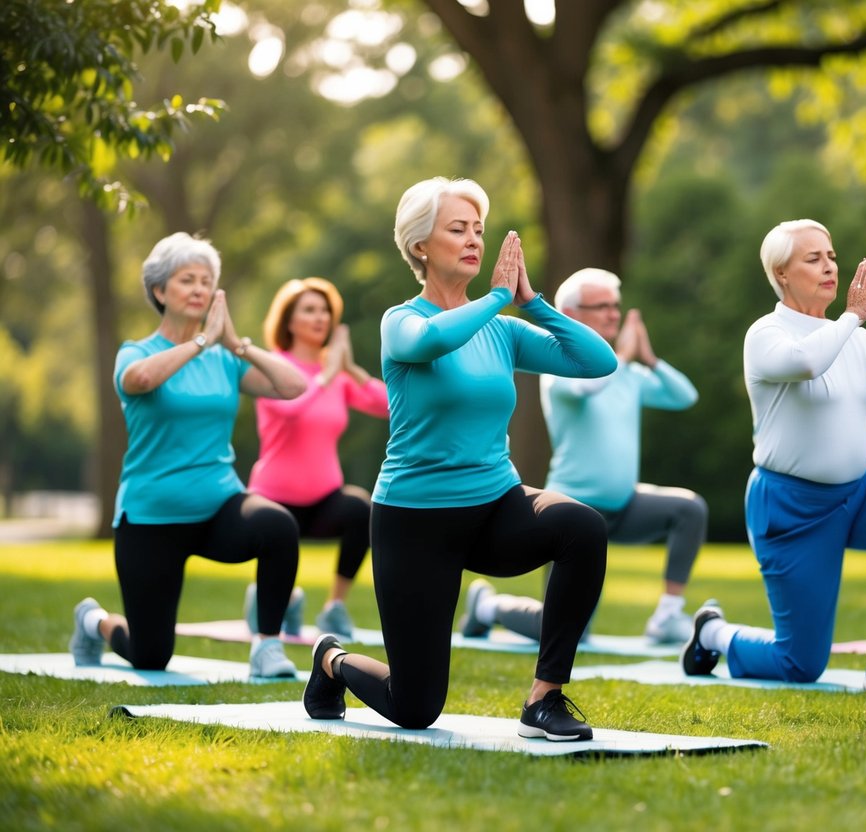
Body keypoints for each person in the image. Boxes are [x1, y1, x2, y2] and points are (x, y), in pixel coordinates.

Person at [302, 177, 618, 741]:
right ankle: (331, 661)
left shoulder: (501, 330)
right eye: (457, 229)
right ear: (421, 245)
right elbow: (427, 343)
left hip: (495, 508)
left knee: (582, 528)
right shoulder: (402, 320)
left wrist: (531, 303)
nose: (474, 240)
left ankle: (545, 699)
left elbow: (598, 361)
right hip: (415, 521)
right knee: (415, 706)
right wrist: (497, 298)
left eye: (478, 229)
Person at [680, 219, 866, 691]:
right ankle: (714, 633)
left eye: (832, 256)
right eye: (814, 259)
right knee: (800, 663)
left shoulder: (852, 335)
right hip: (793, 511)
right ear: (782, 273)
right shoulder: (765, 335)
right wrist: (853, 317)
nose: (830, 266)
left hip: (861, 494)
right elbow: (806, 362)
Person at [68, 232, 309, 678]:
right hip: (152, 516)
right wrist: (201, 342)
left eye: (206, 281)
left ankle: (268, 647)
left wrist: (235, 342)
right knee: (150, 655)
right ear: (160, 291)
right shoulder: (137, 353)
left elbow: (294, 387)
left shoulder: (224, 359)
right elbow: (138, 380)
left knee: (278, 526)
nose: (199, 288)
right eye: (186, 280)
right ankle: (93, 621)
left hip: (218, 506)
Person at [458, 267, 706, 645]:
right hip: (574, 514)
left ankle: (668, 616)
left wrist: (650, 358)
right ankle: (487, 607)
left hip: (624, 507)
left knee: (689, 509)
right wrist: (622, 356)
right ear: (572, 315)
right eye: (602, 306)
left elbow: (684, 396)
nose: (613, 314)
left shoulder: (628, 374)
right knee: (565, 631)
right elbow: (591, 387)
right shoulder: (561, 368)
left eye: (616, 306)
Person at [245, 277, 389, 640]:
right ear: (289, 321)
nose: (320, 317)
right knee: (279, 556)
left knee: (361, 508)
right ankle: (282, 600)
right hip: (274, 499)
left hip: (324, 498)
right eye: (309, 310)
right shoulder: (271, 366)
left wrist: (349, 368)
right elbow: (291, 409)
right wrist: (327, 374)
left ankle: (334, 608)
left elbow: (392, 406)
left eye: (325, 310)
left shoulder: (337, 375)